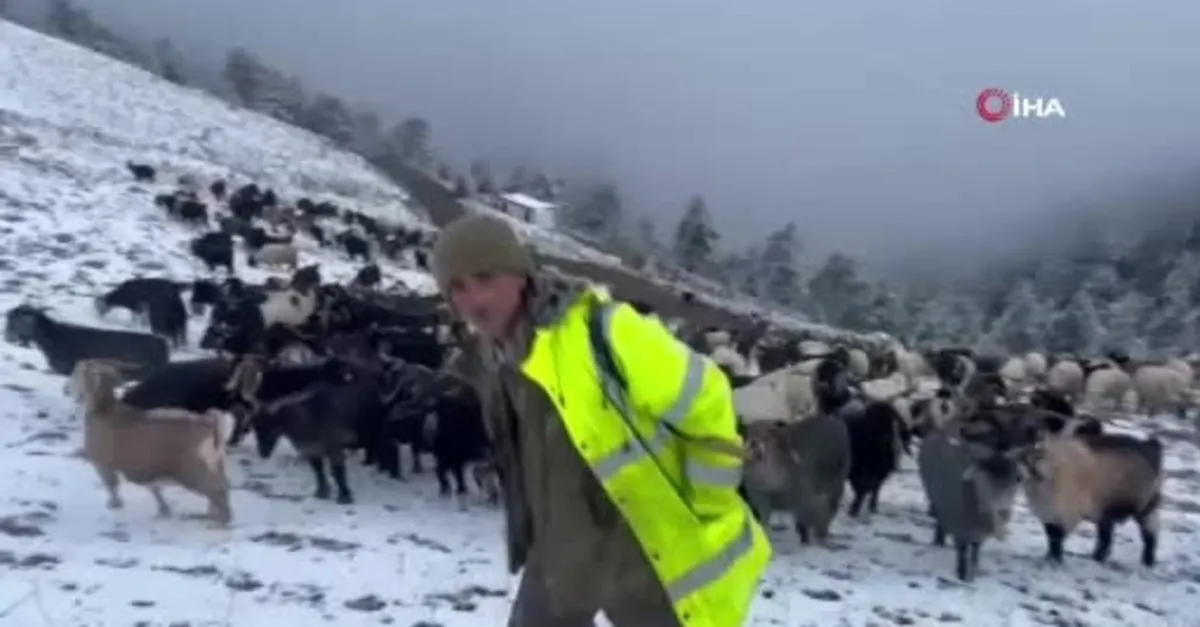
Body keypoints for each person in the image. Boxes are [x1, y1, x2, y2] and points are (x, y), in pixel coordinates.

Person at [431, 214, 771, 627]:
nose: (473, 300)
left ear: (520, 275)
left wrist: (707, 498)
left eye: (484, 277)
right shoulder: (496, 358)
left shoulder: (603, 332)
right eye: (457, 288)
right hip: (560, 551)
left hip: (641, 551)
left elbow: (708, 398)